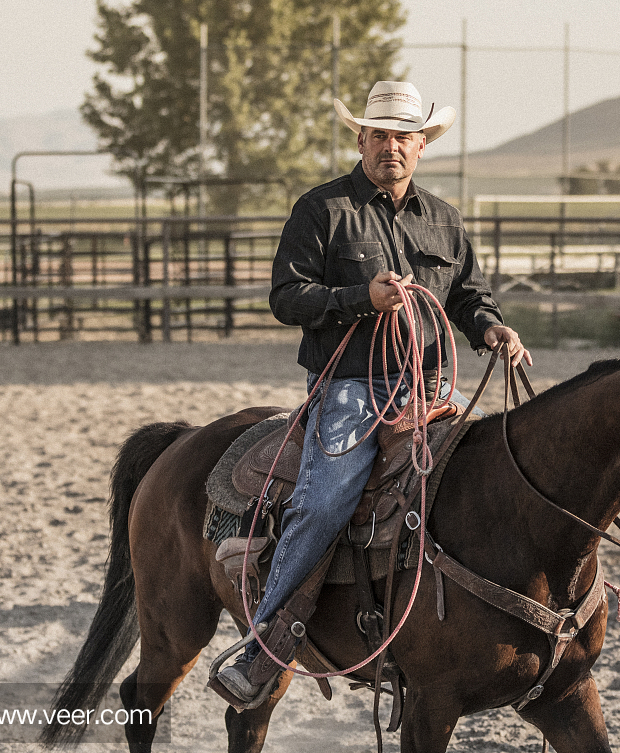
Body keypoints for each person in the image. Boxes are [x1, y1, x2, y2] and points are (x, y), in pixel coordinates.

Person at [213, 81, 531, 705]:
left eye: (403, 137)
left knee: (495, 476)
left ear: (421, 145)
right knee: (324, 500)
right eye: (379, 135)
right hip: (352, 389)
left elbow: (468, 294)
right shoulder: (323, 210)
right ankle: (264, 646)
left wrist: (491, 327)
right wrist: (362, 299)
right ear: (360, 139)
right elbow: (286, 297)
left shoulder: (443, 217)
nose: (391, 147)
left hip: (432, 386)